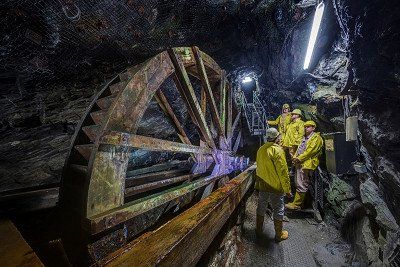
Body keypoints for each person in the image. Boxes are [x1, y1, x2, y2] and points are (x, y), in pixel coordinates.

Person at [255, 128, 291, 242]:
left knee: (261, 206)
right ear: (277, 137)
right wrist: (287, 189)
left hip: (263, 184)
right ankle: (278, 234)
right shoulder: (277, 150)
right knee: (278, 209)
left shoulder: (261, 149)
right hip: (275, 186)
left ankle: (258, 230)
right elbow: (283, 172)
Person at [285, 120, 324, 210]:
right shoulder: (305, 137)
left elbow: (310, 151)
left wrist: (299, 158)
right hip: (300, 163)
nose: (306, 128)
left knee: (302, 182)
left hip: (307, 163)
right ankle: (298, 203)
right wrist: (295, 157)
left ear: (313, 128)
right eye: (305, 126)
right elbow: (299, 149)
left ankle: (297, 204)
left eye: (308, 126)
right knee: (298, 181)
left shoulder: (316, 138)